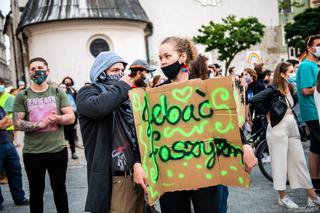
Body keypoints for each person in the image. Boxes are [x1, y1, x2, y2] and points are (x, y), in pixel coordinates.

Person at [158, 36, 256, 213]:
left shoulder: (206, 89)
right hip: (171, 175)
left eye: (167, 56)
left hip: (206, 171)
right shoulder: (155, 96)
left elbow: (225, 121)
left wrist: (246, 145)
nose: (163, 62)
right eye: (160, 58)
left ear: (182, 57)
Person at [76, 51, 146, 213]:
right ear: (101, 73)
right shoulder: (87, 93)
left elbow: (137, 132)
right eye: (114, 71)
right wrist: (122, 85)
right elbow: (100, 107)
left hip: (136, 174)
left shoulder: (125, 96)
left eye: (122, 70)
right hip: (114, 180)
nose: (120, 74)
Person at [252, 62, 320, 209]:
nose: (293, 74)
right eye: (290, 71)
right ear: (282, 74)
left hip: (291, 126)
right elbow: (256, 99)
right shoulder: (273, 88)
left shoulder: (289, 87)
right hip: (278, 129)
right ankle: (282, 197)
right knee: (279, 163)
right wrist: (267, 113)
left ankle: (312, 196)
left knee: (299, 161)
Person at [13, 57, 75, 213]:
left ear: (47, 71)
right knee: (36, 193)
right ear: (29, 72)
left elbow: (71, 117)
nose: (37, 71)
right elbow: (17, 123)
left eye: (40, 68)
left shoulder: (57, 92)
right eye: (33, 69)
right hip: (33, 153)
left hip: (57, 151)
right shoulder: (23, 95)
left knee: (60, 190)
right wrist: (40, 124)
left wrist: (58, 118)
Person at [296, 35, 320, 192]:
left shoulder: (314, 65)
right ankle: (315, 181)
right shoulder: (306, 66)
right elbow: (305, 90)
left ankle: (316, 182)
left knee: (316, 146)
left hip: (315, 109)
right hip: (312, 111)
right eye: (318, 44)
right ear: (309, 48)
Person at [0, 105, 29, 211]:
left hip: (7, 143)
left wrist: (3, 122)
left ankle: (19, 198)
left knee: (15, 171)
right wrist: (4, 122)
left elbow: (9, 122)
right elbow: (4, 122)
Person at [58, 83, 79, 159]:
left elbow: (74, 108)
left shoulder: (69, 96)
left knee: (71, 137)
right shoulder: (56, 97)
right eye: (61, 87)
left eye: (64, 87)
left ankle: (73, 152)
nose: (62, 89)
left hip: (69, 120)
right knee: (61, 138)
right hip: (59, 121)